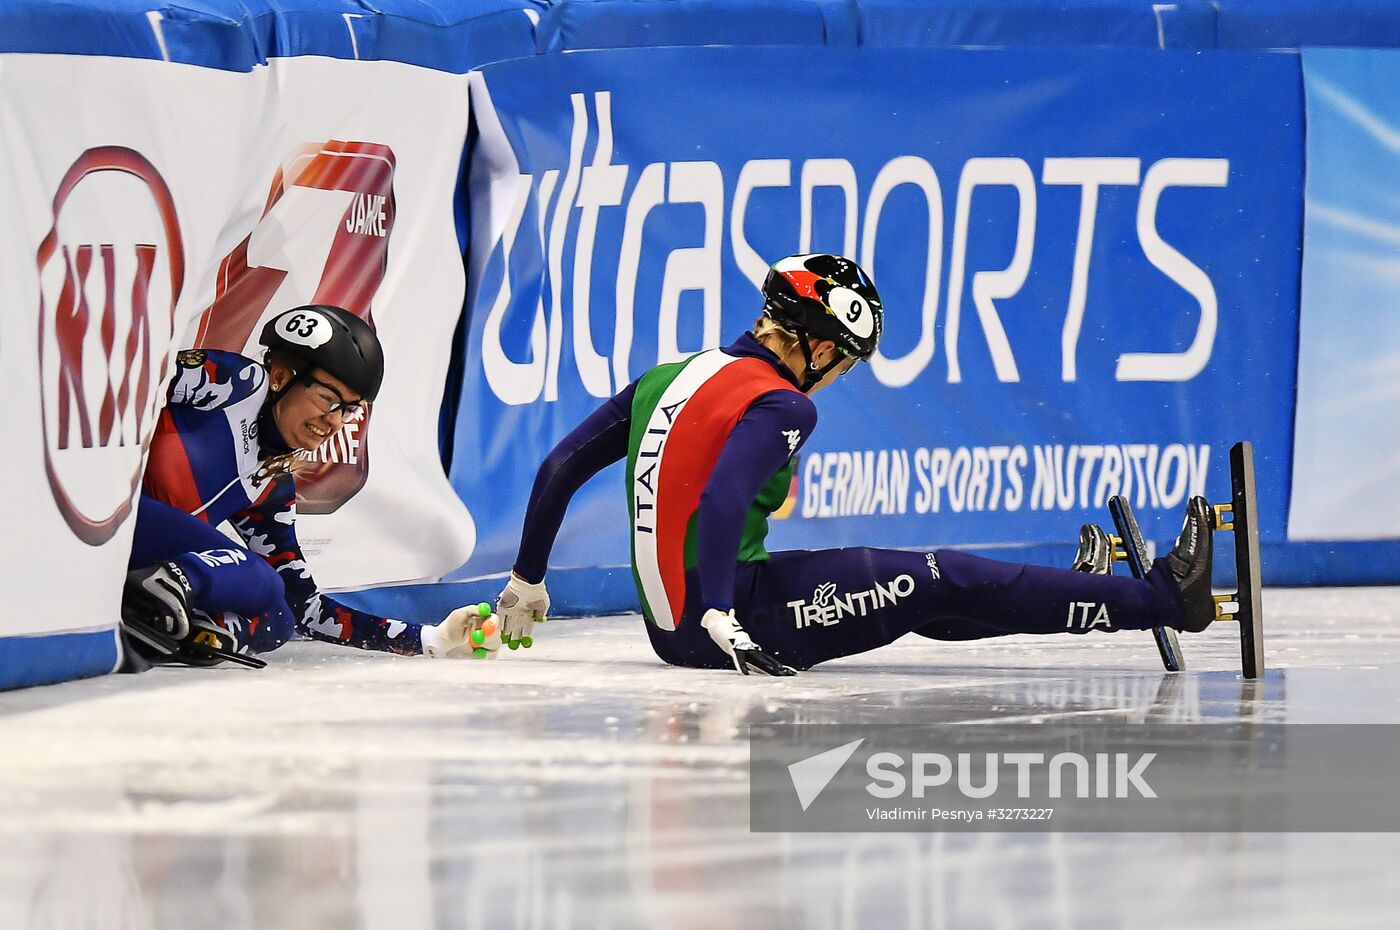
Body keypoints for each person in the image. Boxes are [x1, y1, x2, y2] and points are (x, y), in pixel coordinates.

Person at [493, 253, 1219, 675]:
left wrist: (527, 578)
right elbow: (720, 499)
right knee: (936, 576)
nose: (841, 375)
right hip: (728, 621)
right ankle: (1164, 598)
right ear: (813, 343)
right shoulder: (782, 404)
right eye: (844, 358)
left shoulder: (669, 375)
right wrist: (720, 613)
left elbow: (561, 463)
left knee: (915, 597)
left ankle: (1066, 595)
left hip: (675, 626)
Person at [122, 304, 496, 666]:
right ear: (282, 376)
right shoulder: (235, 384)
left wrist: (429, 639)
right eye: (328, 398)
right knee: (263, 580)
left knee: (280, 615)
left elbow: (308, 609)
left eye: (349, 410)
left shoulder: (271, 483)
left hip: (144, 554)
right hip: (121, 517)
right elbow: (128, 380)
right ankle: (162, 591)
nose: (334, 421)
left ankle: (189, 628)